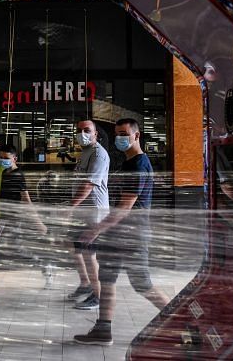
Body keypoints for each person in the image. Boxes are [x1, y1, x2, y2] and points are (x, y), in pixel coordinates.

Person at [74, 118, 169, 345]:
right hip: (119, 234)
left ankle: (180, 320)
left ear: (137, 136)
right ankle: (102, 330)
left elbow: (125, 208)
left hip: (133, 234)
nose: (120, 138)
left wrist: (96, 229)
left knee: (142, 283)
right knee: (106, 279)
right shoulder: (128, 163)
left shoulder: (139, 164)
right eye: (117, 134)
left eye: (124, 134)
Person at [0, 144, 47, 295]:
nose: (2, 160)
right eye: (1, 157)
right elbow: (2, 193)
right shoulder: (5, 173)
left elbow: (26, 200)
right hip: (6, 217)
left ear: (14, 158)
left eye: (6, 158)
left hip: (10, 218)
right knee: (19, 250)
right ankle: (45, 265)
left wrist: (38, 223)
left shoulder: (18, 175)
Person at [67, 119, 110, 310]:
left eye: (87, 130)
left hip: (94, 212)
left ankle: (98, 295)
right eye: (79, 130)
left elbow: (89, 184)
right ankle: (85, 284)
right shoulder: (85, 153)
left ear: (95, 134)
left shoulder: (99, 154)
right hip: (82, 211)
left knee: (89, 253)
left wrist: (71, 206)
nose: (82, 133)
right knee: (77, 249)